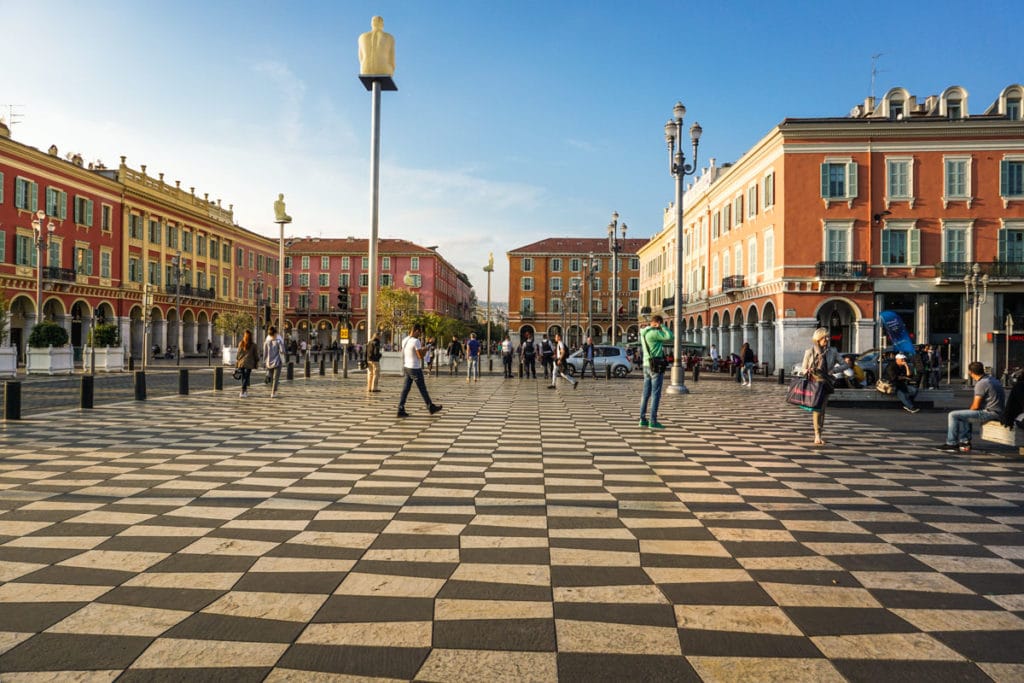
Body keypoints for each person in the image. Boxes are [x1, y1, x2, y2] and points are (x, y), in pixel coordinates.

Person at [938, 361, 1005, 452]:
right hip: (999, 411)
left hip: (990, 412)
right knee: (965, 414)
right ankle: (964, 441)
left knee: (953, 415)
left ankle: (951, 443)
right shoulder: (992, 379)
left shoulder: (981, 383)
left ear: (971, 373)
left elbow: (976, 406)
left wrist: (970, 409)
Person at [801, 327, 841, 446]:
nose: (827, 339)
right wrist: (808, 370)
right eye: (825, 337)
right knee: (817, 410)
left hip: (826, 383)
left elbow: (844, 364)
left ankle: (819, 434)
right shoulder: (810, 352)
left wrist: (833, 370)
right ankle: (817, 434)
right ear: (818, 339)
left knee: (822, 410)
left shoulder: (832, 352)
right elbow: (803, 369)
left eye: (828, 337)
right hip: (814, 383)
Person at [397, 324, 442, 418]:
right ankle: (431, 407)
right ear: (416, 331)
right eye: (419, 332)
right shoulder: (415, 341)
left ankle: (400, 408)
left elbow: (410, 352)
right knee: (422, 388)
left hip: (407, 367)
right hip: (415, 368)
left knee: (406, 389)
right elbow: (420, 356)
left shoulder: (404, 340)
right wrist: (425, 349)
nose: (420, 335)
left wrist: (422, 349)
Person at [638, 314, 673, 429]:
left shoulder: (644, 333)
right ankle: (653, 421)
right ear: (657, 323)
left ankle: (642, 419)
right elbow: (670, 336)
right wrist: (662, 326)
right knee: (655, 394)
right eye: (659, 324)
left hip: (646, 365)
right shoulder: (654, 333)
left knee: (645, 394)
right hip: (655, 366)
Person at [263, 325, 285, 399]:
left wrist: (264, 362)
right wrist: (281, 343)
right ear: (275, 333)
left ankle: (272, 391)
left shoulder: (266, 342)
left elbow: (265, 353)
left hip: (269, 362)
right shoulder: (278, 341)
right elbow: (282, 351)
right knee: (276, 378)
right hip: (277, 361)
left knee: (272, 377)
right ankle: (273, 392)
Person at [236, 329, 259, 398]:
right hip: (249, 364)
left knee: (243, 377)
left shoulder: (241, 343)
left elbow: (238, 355)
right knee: (246, 377)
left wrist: (239, 359)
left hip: (241, 363)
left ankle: (244, 391)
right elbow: (256, 355)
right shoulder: (253, 345)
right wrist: (257, 361)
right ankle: (243, 391)